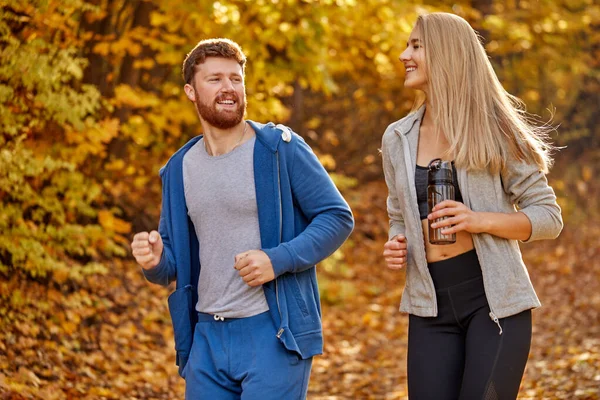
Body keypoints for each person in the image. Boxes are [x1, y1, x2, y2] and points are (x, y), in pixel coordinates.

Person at [130, 38, 353, 399]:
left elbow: (337, 217)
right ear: (190, 91)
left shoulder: (280, 148)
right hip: (205, 340)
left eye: (236, 79)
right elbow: (173, 262)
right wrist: (154, 260)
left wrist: (276, 259)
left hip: (274, 335)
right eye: (215, 79)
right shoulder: (178, 168)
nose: (228, 88)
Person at [381, 13, 563, 400]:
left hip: (495, 304)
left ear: (446, 53)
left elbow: (548, 217)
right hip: (429, 308)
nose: (403, 55)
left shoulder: (494, 129)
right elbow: (399, 212)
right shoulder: (397, 137)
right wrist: (398, 240)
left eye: (416, 46)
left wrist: (477, 219)